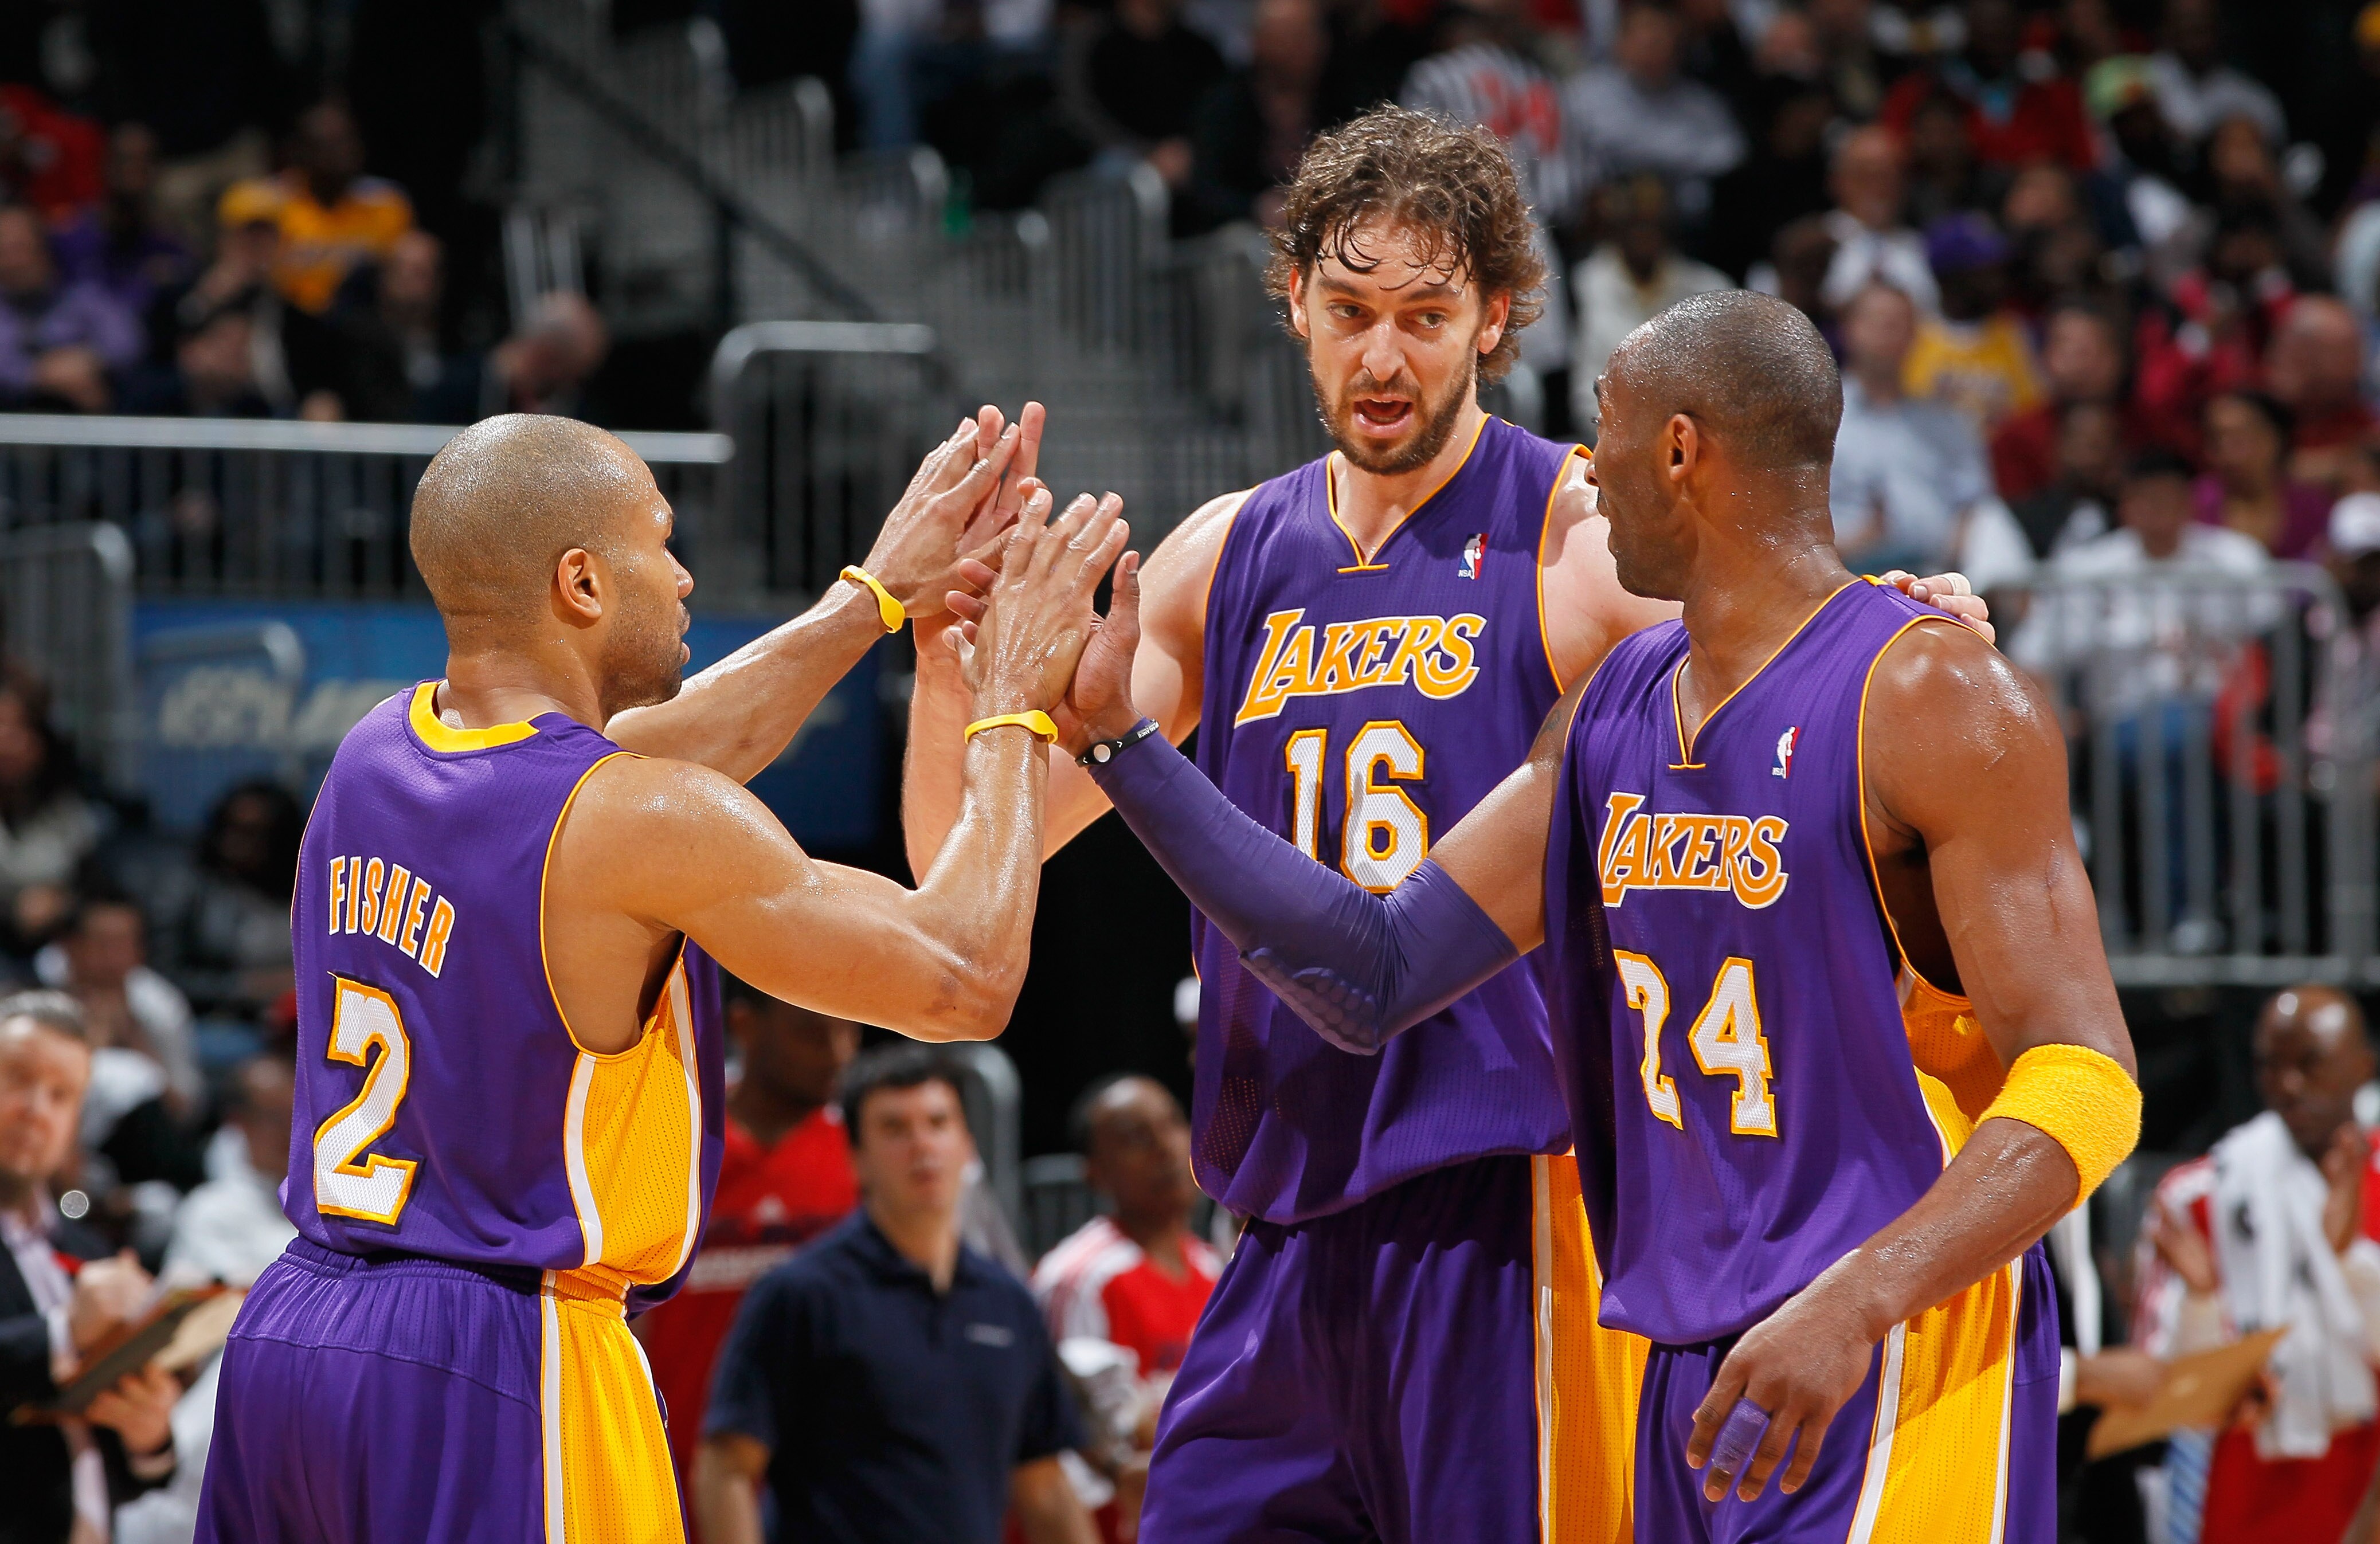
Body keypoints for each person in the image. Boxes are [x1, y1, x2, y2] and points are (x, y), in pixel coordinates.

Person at [908, 109, 1989, 1544]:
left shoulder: (1578, 535)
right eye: (1351, 311)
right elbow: (960, 861)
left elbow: (1781, 658)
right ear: (1294, 303)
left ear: (1492, 318)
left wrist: (1893, 624)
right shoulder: (1220, 557)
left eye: (1425, 315)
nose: (1383, 356)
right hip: (1280, 1221)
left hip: (1512, 1215)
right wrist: (947, 661)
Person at [1062, 285, 2139, 1538]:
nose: (1584, 468)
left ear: (1679, 449)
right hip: (1686, 1357)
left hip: (1895, 1339)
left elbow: (2089, 1083)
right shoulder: (1615, 706)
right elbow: (1374, 969)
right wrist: (1122, 745)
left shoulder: (1930, 689)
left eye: (1605, 427)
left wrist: (1859, 1300)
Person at [191, 410, 1127, 1542]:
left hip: (295, 1338)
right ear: (582, 582)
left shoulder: (377, 752)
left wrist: (872, 599)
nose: (684, 575)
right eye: (662, 540)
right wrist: (1011, 704)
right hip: (502, 1351)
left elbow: (651, 760)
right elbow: (964, 977)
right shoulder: (632, 819)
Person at [696, 1047, 1097, 1544]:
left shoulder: (1009, 1304)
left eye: (938, 1123)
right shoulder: (801, 1295)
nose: (922, 1145)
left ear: (967, 1147)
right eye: (895, 1129)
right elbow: (726, 1468)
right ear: (856, 1160)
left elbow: (1045, 1487)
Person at [2135, 986, 2380, 1544]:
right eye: (2270, 1066)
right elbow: (2157, 1389)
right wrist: (2202, 1303)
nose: (2287, 1085)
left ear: (2364, 1067)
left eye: (2311, 1064)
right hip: (2242, 1495)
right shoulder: (2196, 1196)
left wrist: (2347, 1263)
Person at [634, 973, 859, 1528]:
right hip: (674, 1466)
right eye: (812, 1033)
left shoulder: (869, 1151)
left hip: (828, 1486)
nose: (837, 1053)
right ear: (745, 1027)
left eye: (850, 1032)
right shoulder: (672, 1139)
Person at [0, 991, 184, 1544]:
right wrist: (63, 1334)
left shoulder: (91, 1252)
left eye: (62, 1095)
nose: (38, 1109)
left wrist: (149, 1435)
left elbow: (132, 1474)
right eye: (18, 1079)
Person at [1032, 1076, 1219, 1542]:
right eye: (1136, 1137)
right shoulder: (1077, 1278)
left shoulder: (1217, 1270)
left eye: (1172, 1123)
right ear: (1095, 1172)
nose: (1165, 1147)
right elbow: (1054, 1439)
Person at [1829, 281, 2029, 585]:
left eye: (1902, 324)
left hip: (1934, 581)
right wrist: (1859, 542)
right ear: (1849, 329)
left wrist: (1951, 567)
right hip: (1845, 579)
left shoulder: (1947, 422)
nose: (1891, 333)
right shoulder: (1819, 419)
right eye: (1880, 322)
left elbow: (1975, 505)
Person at [1569, 175, 1732, 437]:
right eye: (1635, 224)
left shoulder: (1709, 288)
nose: (1644, 235)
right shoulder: (1584, 284)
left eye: (1653, 225)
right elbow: (1584, 392)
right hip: (1610, 436)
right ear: (1618, 228)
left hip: (1690, 437)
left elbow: (1720, 385)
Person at [1561, 2, 1746, 222]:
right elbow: (1621, 141)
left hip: (1687, 220)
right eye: (1647, 42)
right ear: (1620, 42)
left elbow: (1732, 152)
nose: (1653, 52)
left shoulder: (1697, 100)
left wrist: (1661, 148)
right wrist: (1688, 147)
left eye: (1663, 42)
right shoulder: (1586, 92)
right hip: (1608, 216)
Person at [237, 100, 414, 316]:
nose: (344, 153)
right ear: (302, 152)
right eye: (330, 145)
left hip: (365, 320)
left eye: (349, 140)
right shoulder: (263, 205)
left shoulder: (387, 204)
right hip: (282, 319)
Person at [1901, 213, 2045, 438]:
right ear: (1951, 278)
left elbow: (2034, 416)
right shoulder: (1911, 337)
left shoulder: (2016, 333)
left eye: (1999, 270)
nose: (1998, 281)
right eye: (1985, 273)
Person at [0, 203, 141, 413]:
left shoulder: (82, 293)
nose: (14, 262)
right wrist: (39, 375)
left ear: (44, 248)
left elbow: (127, 342)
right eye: (4, 252)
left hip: (94, 399)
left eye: (21, 248)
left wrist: (85, 362)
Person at [1989, 300, 2134, 503]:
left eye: (2092, 350)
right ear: (2044, 356)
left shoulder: (2152, 430)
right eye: (2068, 348)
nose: (2080, 365)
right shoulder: (2016, 439)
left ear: (2121, 357)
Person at [0, 668, 99, 958]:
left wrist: (65, 903)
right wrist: (11, 911)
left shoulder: (65, 810)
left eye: (18, 730)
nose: (6, 743)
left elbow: (96, 888)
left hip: (55, 953)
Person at [1817, 124, 1939, 315]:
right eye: (1864, 175)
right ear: (1837, 181)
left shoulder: (1923, 247)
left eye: (1888, 175)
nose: (1878, 187)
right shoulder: (1814, 243)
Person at [2196, 389, 2331, 560]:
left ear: (2274, 439)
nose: (2227, 452)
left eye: (2239, 439)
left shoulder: (2311, 507)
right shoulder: (2196, 504)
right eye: (2216, 439)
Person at [2266, 296, 2377, 492]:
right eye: (2345, 353)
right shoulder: (2251, 403)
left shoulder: (2350, 408)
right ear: (2302, 354)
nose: (2358, 367)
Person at [2144, 0, 2284, 148]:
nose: (2193, 26)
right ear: (2165, 26)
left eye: (2201, 20)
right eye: (2184, 18)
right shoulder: (2142, 78)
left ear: (2219, 26)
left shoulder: (2250, 97)